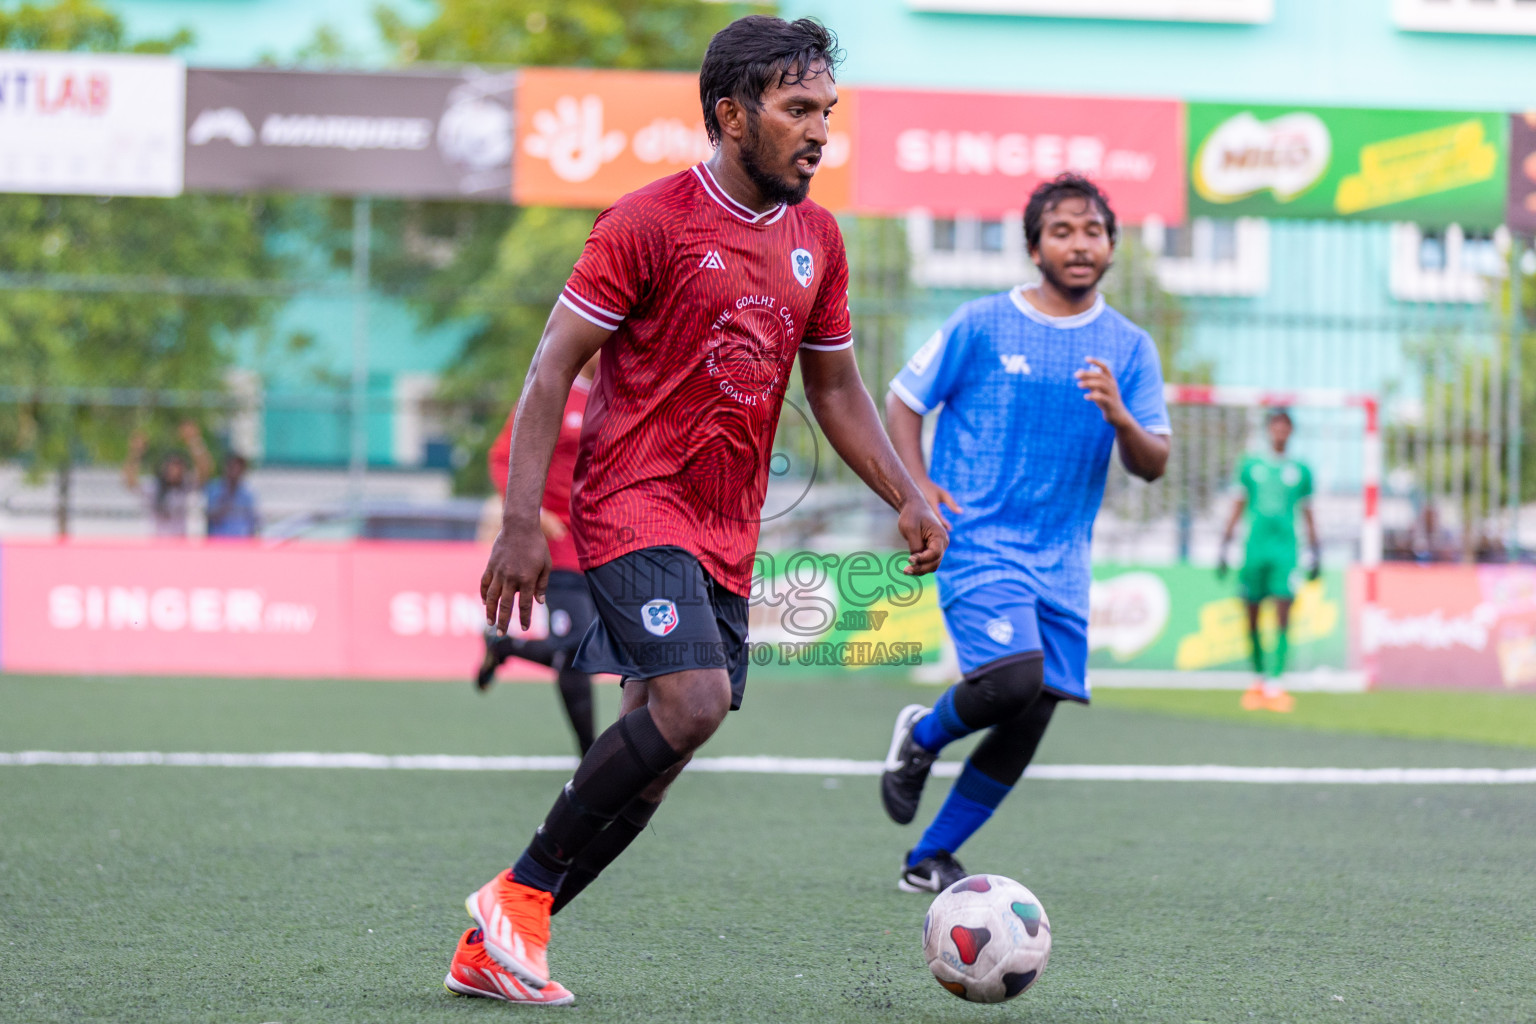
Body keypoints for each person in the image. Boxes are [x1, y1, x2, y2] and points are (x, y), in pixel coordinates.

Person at [453, 16, 947, 1006]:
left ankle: (501, 936)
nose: (818, 132)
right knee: (693, 701)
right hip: (633, 502)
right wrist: (518, 521)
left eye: (827, 112)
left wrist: (908, 490)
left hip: (728, 530)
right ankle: (521, 893)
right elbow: (554, 364)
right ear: (731, 113)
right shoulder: (648, 221)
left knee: (660, 757)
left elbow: (840, 389)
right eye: (797, 109)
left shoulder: (819, 239)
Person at [879, 173, 1171, 893]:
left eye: (1093, 231)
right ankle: (923, 736)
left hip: (1063, 558)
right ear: (1034, 245)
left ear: (1111, 246)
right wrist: (917, 488)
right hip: (977, 539)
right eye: (1063, 230)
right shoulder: (982, 323)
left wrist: (1121, 418)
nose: (1079, 243)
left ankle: (930, 858)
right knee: (1012, 680)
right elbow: (902, 401)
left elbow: (1153, 463)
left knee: (1032, 710)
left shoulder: (1128, 349)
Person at [474, 354, 601, 757]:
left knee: (602, 648)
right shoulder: (552, 389)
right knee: (576, 649)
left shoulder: (626, 391)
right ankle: (592, 756)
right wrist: (533, 513)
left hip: (607, 539)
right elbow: (500, 457)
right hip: (559, 544)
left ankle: (505, 647)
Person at [1217, 408, 1319, 714]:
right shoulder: (1251, 465)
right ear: (1268, 430)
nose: (1280, 431)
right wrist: (1224, 543)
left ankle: (1276, 682)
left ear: (1291, 432)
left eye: (1285, 427)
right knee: (1251, 613)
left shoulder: (1301, 469)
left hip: (1286, 552)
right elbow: (1238, 503)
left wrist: (1317, 549)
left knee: (1283, 611)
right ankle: (1259, 679)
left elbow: (1308, 511)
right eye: (1276, 426)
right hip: (1254, 550)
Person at [122, 421, 213, 537]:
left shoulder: (186, 486)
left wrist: (194, 441)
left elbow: (205, 470)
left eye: (179, 467)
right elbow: (130, 482)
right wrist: (135, 453)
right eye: (172, 466)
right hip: (157, 544)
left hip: (180, 544)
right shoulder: (155, 487)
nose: (175, 471)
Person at [204, 453, 259, 538]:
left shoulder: (248, 493)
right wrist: (225, 497)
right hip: (218, 541)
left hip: (240, 543)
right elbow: (209, 516)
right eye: (232, 468)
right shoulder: (214, 489)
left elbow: (252, 521)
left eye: (238, 469)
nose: (235, 472)